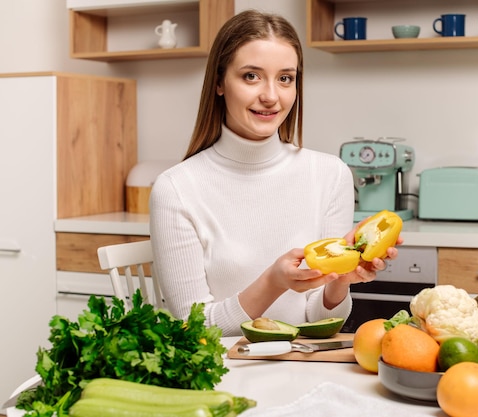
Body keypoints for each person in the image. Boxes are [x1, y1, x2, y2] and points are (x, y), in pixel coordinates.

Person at [149, 9, 400, 336]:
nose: (270, 96)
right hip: (224, 375)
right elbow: (192, 329)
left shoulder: (329, 175)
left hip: (300, 367)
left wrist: (340, 282)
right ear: (219, 83)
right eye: (251, 76)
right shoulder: (176, 189)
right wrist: (272, 283)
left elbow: (318, 318)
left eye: (285, 78)